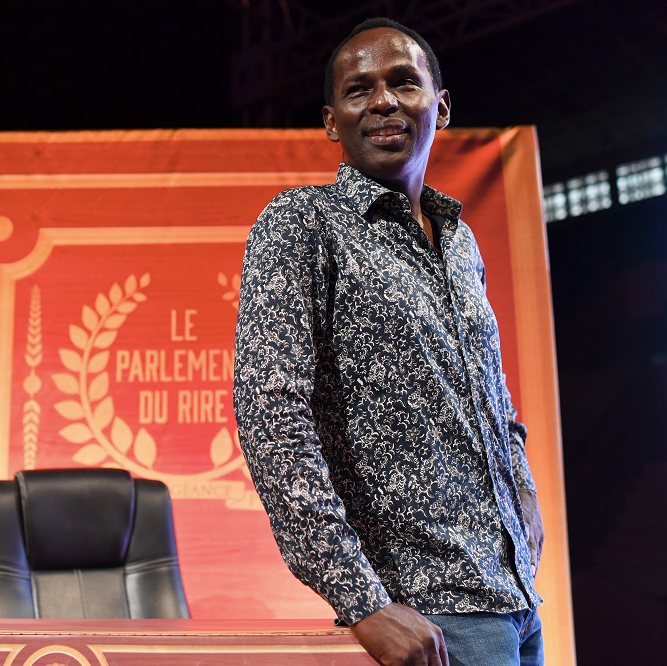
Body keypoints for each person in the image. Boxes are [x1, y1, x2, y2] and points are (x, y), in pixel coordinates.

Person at [232, 17, 545, 666]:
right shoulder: (303, 224)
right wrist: (362, 599)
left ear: (441, 105)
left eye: (404, 82)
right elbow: (270, 418)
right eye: (359, 90)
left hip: (516, 600)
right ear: (330, 120)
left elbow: (490, 392)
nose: (382, 101)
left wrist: (523, 491)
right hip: (427, 616)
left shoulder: (460, 238)